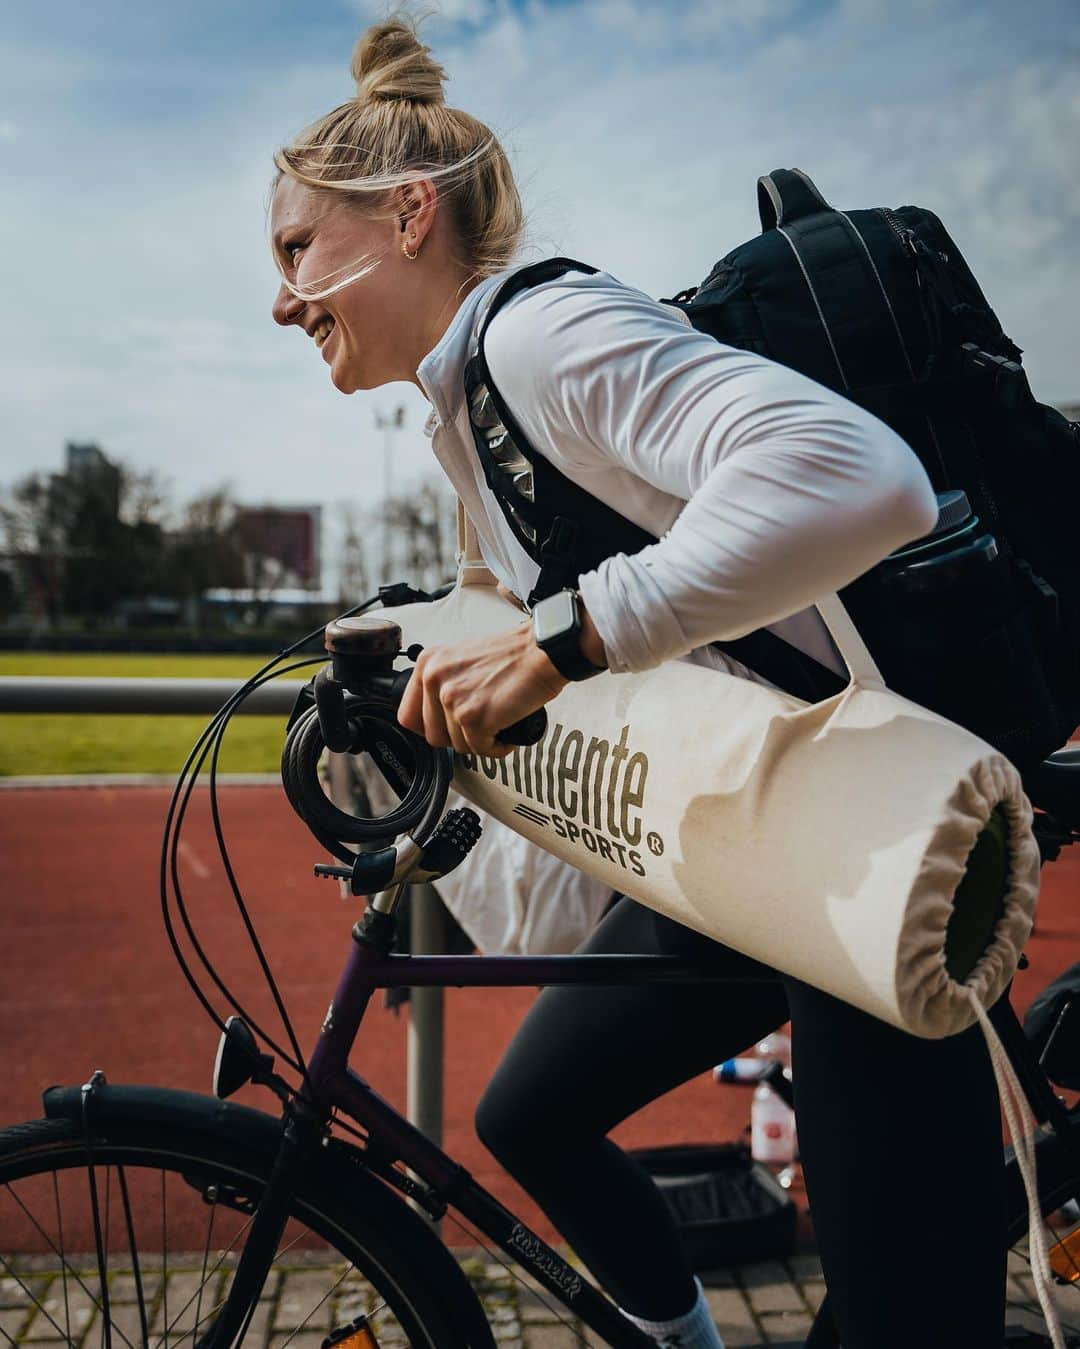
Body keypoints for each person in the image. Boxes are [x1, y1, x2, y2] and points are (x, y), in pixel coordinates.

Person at [269, 17, 1007, 1347]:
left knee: (904, 1317)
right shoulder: (464, 414)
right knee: (530, 1115)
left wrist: (569, 641)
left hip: (866, 836)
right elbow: (545, 603)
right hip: (756, 822)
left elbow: (862, 475)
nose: (281, 297)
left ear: (408, 215)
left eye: (296, 249)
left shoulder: (547, 336)